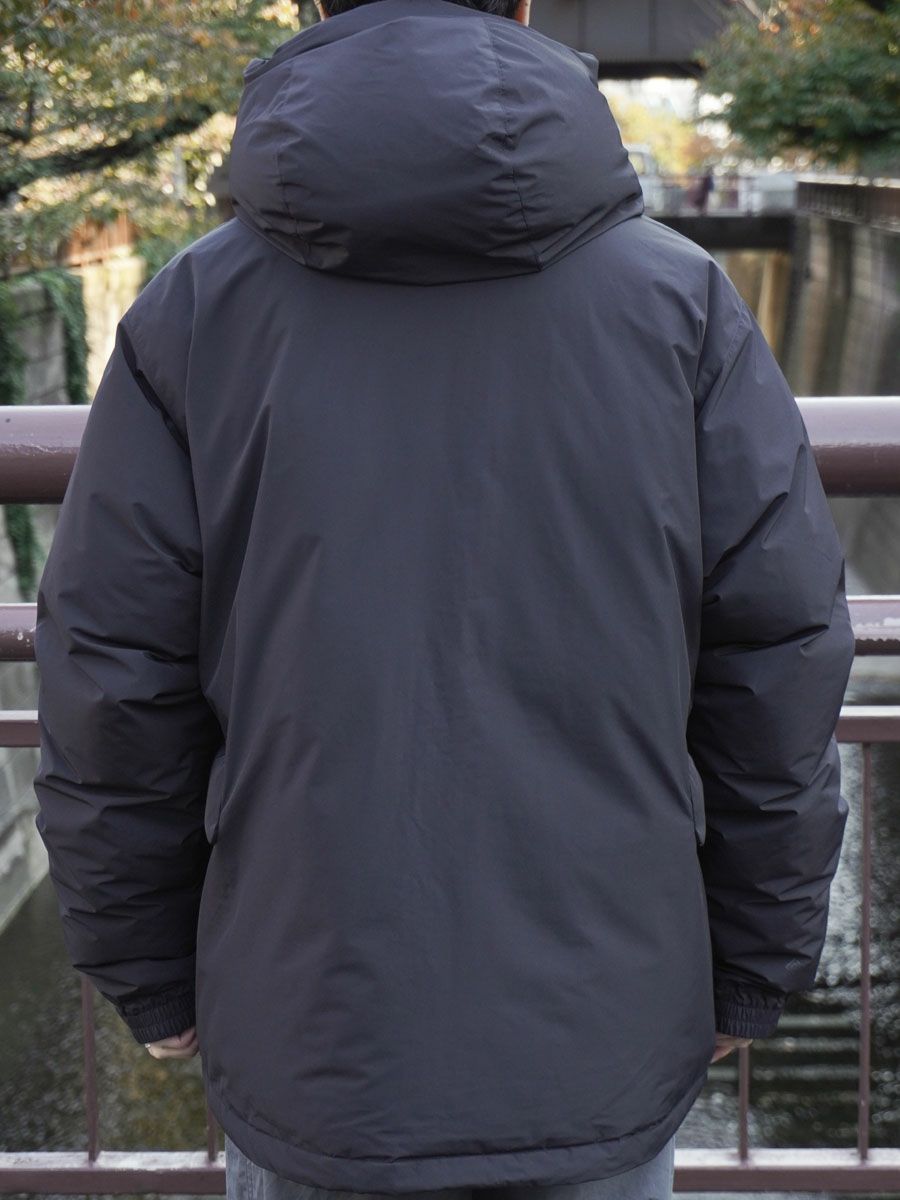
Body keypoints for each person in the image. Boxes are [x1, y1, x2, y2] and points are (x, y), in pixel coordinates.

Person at [32, 0, 855, 1198]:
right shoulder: (681, 303)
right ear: (521, 9)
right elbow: (775, 659)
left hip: (312, 1027)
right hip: (604, 1026)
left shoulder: (196, 311)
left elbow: (114, 675)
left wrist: (148, 970)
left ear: (316, 8)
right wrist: (753, 962)